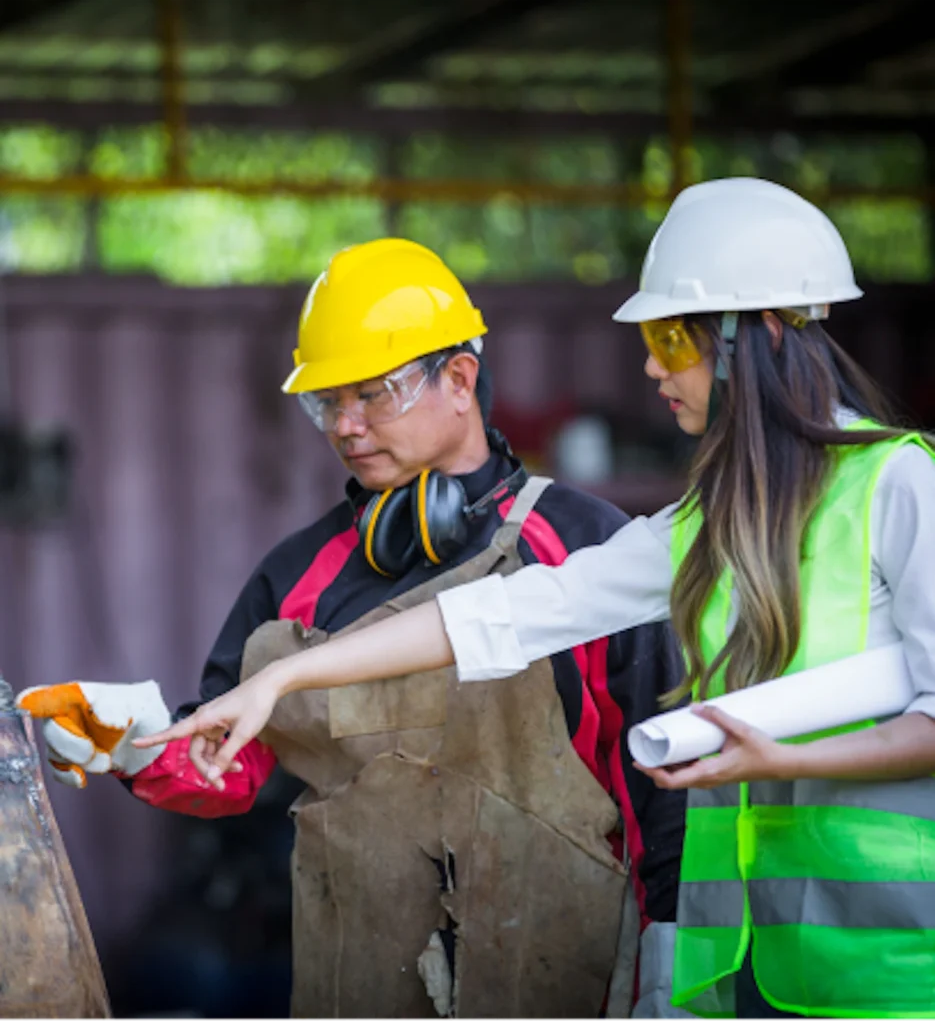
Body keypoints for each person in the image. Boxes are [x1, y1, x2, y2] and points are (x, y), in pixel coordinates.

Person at [137, 179, 935, 1021]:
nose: (650, 366)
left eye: (671, 337)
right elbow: (501, 616)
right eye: (327, 402)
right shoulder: (706, 524)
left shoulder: (898, 484)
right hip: (744, 967)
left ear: (764, 332)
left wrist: (779, 762)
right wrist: (279, 681)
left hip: (891, 968)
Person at [17, 238, 688, 1020]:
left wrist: (665, 962)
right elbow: (230, 772)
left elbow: (656, 780)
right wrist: (130, 741)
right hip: (358, 980)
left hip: (570, 978)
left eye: (372, 394)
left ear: (461, 379)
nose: (346, 425)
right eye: (326, 403)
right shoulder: (295, 575)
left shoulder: (588, 552)